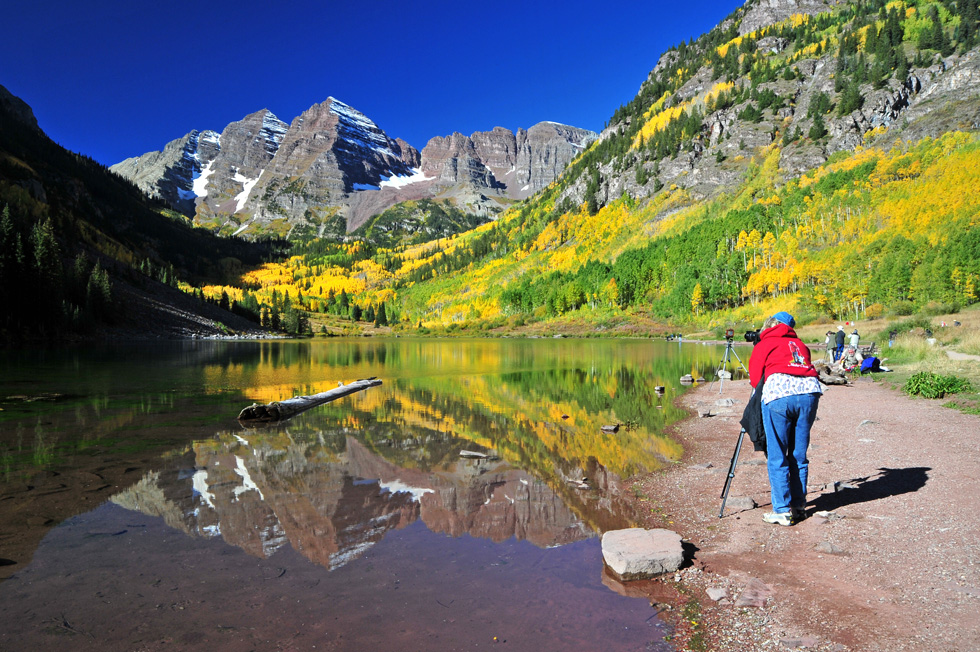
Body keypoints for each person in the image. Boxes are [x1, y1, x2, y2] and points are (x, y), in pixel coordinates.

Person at [749, 311, 823, 526]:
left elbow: (755, 379)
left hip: (779, 394)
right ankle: (798, 507)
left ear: (769, 324)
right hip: (809, 394)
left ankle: (781, 510)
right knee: (799, 454)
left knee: (777, 453)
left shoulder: (766, 342)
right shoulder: (799, 344)